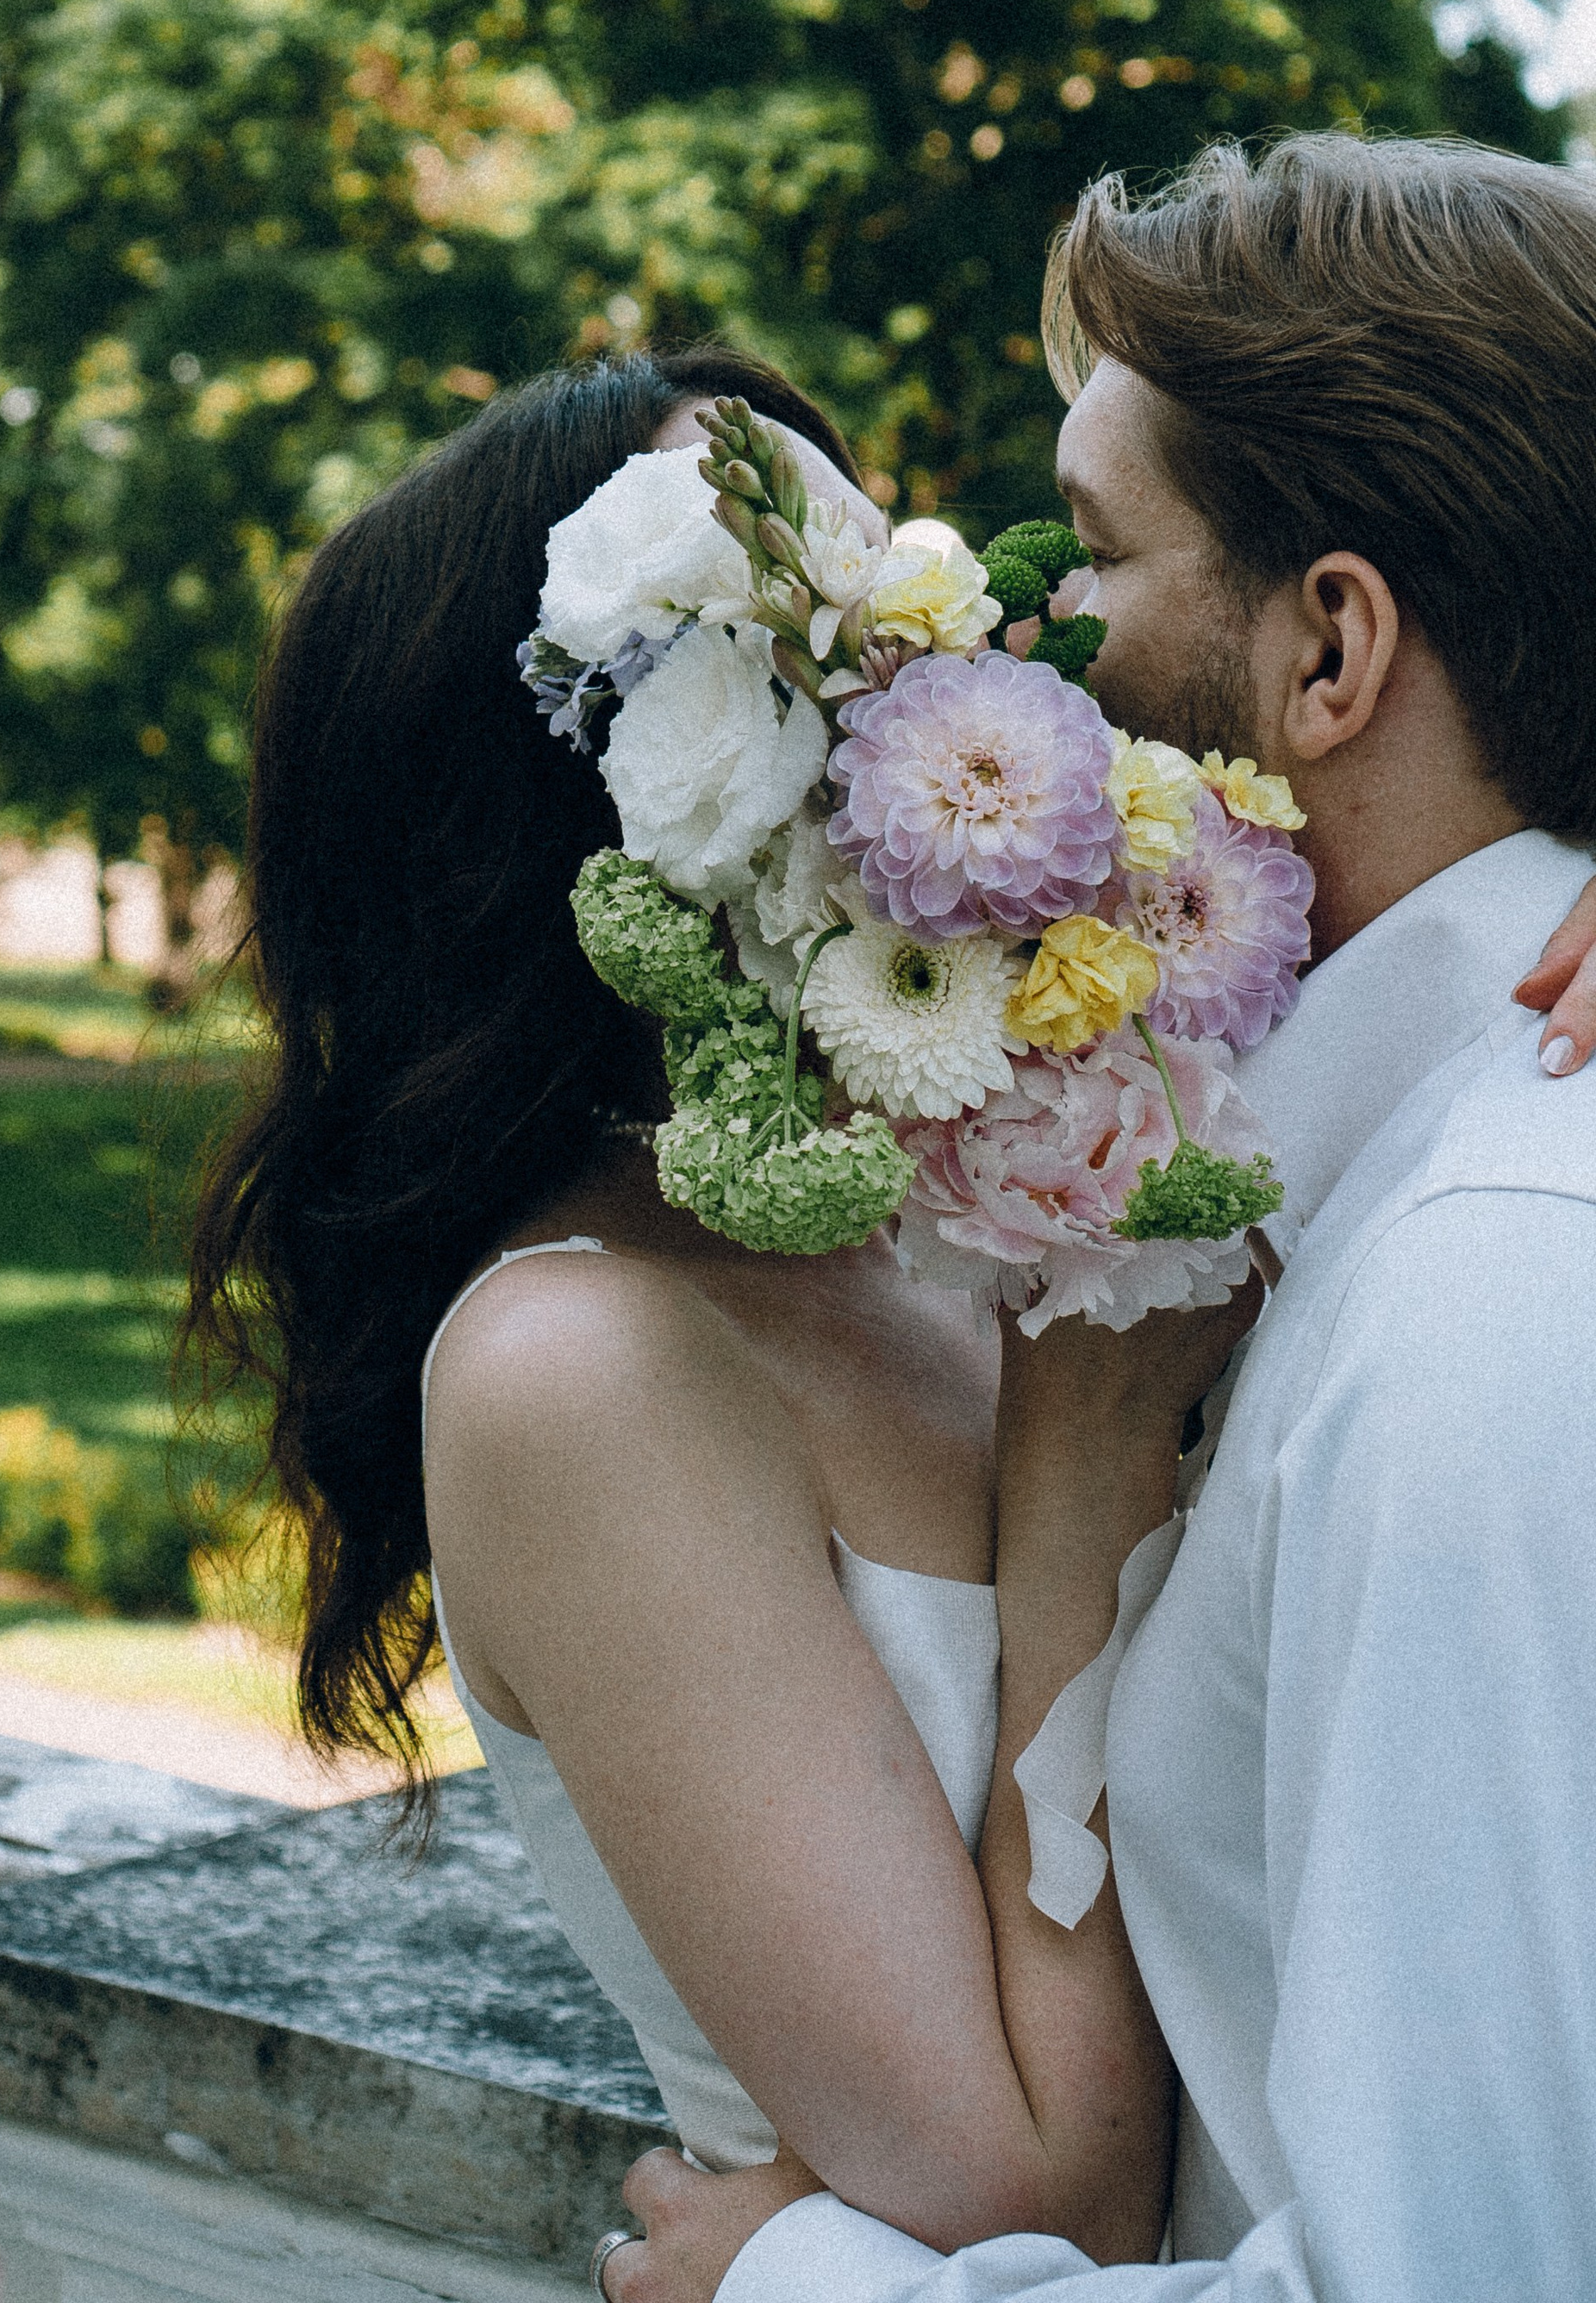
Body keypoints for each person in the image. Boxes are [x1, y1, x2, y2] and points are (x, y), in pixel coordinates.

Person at [611, 133, 1596, 2303]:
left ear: (1328, 649)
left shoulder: (1481, 1299)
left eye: (1087, 560)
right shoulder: (1357, 1210)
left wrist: (798, 2289)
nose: (1027, 657)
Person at [189, 336, 1254, 2266]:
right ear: (579, 796)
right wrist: (1077, 1498)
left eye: (892, 595)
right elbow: (1032, 2208)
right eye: (808, 641)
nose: (934, 687)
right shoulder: (577, 1370)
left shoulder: (982, 1207)